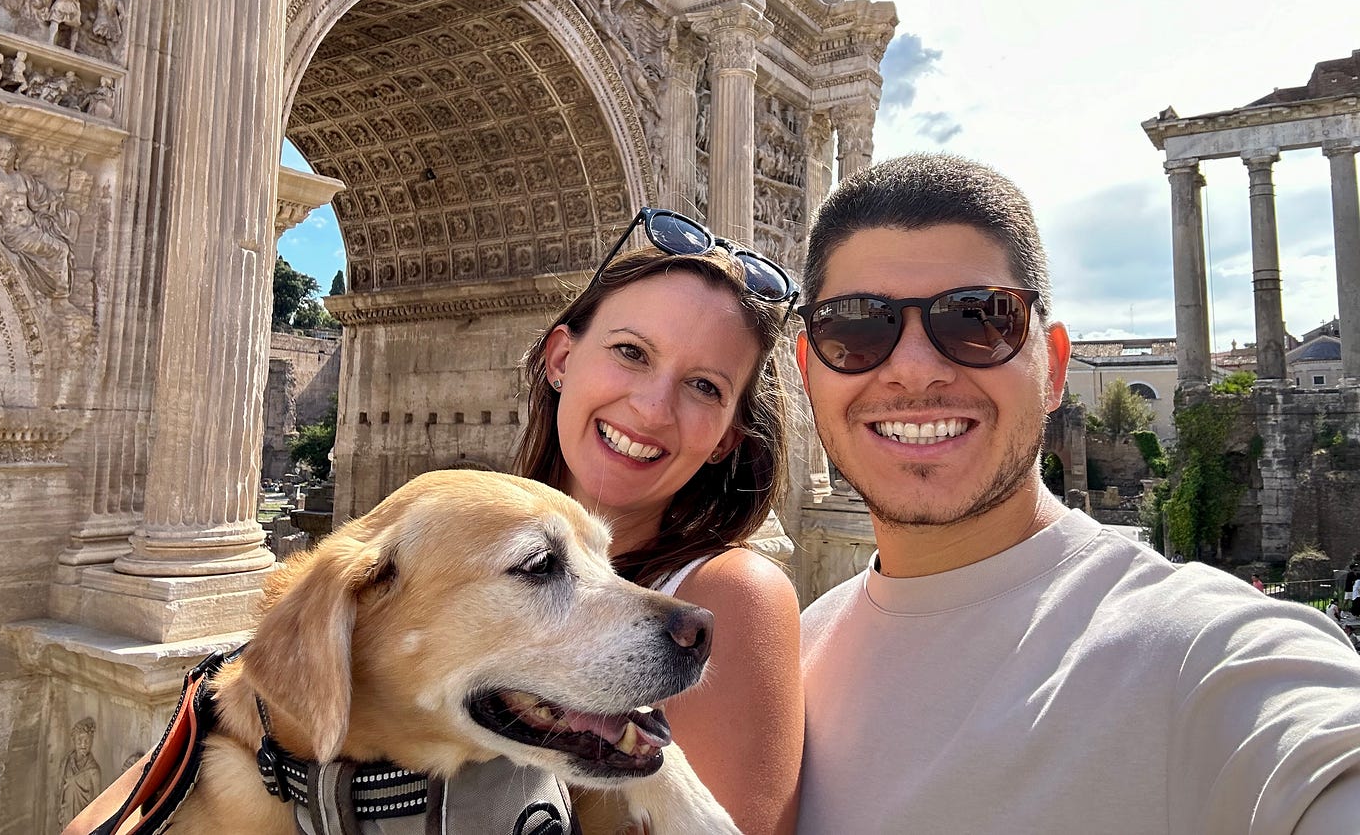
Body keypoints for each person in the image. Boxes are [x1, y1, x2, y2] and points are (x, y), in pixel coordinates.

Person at [795, 153, 1360, 834]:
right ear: (808, 370)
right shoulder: (791, 656)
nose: (915, 369)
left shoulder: (1208, 654)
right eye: (856, 327)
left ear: (1054, 368)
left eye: (978, 319)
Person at [513, 207, 803, 835]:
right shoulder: (458, 536)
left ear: (727, 437)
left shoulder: (730, 600)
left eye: (704, 386)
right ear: (561, 357)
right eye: (631, 352)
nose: (651, 409)